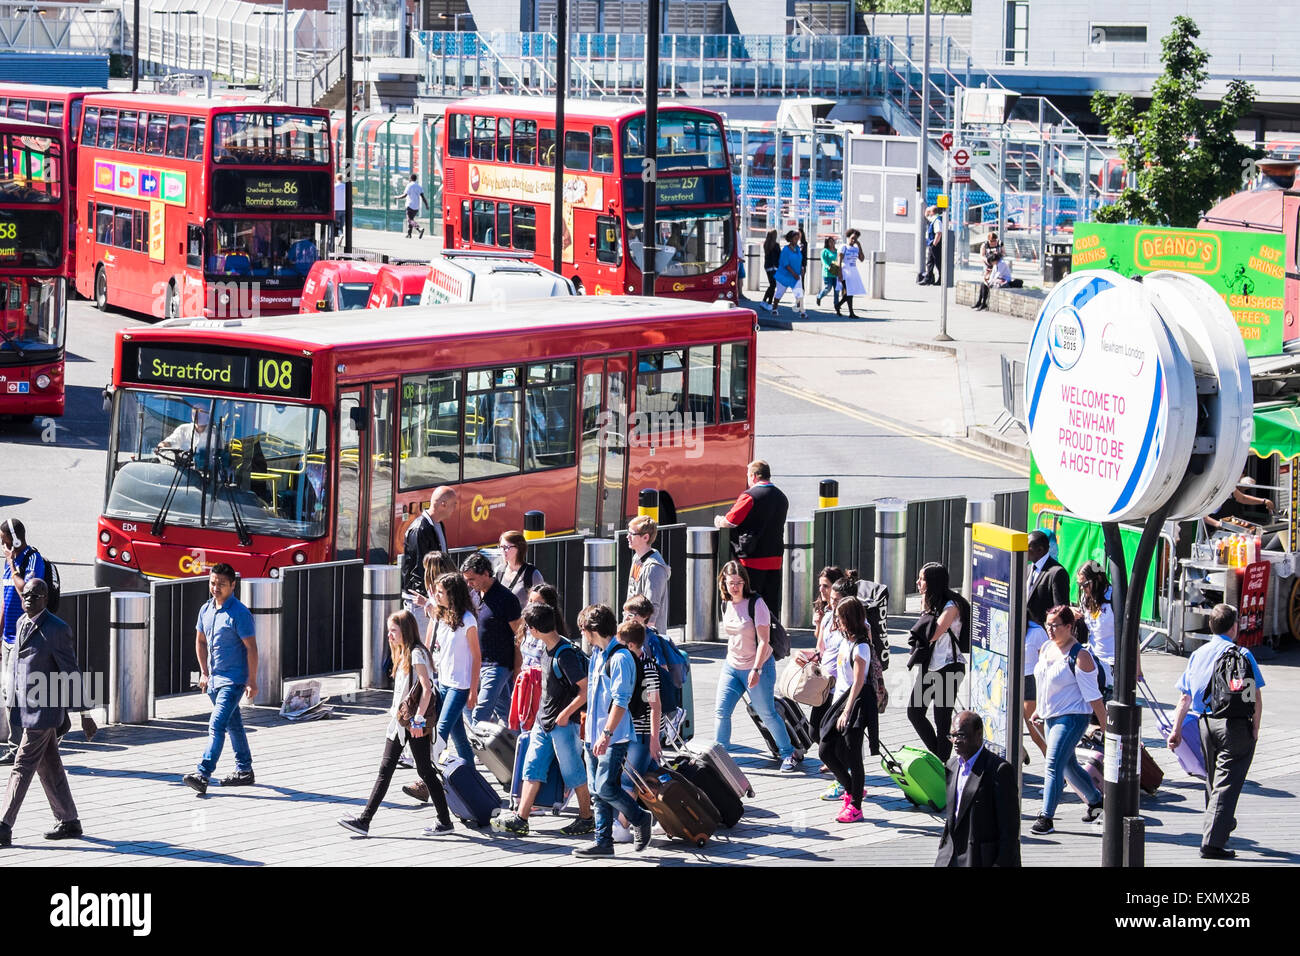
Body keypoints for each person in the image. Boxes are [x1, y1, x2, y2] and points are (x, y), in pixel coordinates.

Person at [338, 610, 454, 837]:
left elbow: (427, 688)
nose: (389, 635)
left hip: (412, 723)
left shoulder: (417, 653)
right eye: (389, 631)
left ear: (406, 631)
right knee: (390, 769)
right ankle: (365, 820)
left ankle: (444, 821)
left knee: (425, 771)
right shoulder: (405, 652)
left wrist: (419, 719)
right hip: (401, 723)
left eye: (393, 630)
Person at [0, 578, 96, 847]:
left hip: (45, 711)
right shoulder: (20, 623)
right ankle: (69, 821)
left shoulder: (56, 629)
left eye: (37, 595)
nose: (30, 599)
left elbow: (71, 671)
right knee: (50, 765)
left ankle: (4, 825)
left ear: (46, 598)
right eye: (27, 595)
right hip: (26, 708)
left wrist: (85, 714)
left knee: (22, 765)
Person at [1167, 604, 1265, 859]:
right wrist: (1255, 727)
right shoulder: (1242, 654)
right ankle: (1212, 841)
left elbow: (1184, 698)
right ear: (1234, 627)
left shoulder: (1198, 655)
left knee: (1213, 780)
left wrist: (1175, 730)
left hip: (1205, 723)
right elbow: (1255, 695)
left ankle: (1219, 824)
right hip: (1234, 725)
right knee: (1226, 784)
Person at [491, 602, 596, 837]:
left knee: (573, 772)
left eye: (528, 628)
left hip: (562, 724)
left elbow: (585, 689)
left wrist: (565, 714)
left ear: (534, 629)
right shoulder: (548, 648)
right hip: (544, 721)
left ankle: (587, 817)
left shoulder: (565, 654)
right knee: (532, 768)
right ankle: (521, 818)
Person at [573, 606, 652, 858]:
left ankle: (640, 818)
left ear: (593, 630)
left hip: (613, 736)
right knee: (597, 792)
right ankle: (603, 842)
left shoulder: (620, 658)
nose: (582, 635)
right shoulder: (597, 654)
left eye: (583, 630)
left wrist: (606, 734)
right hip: (592, 735)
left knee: (606, 788)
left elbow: (621, 701)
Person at [712, 561, 799, 773]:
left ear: (745, 582)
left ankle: (788, 753)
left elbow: (764, 642)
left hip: (758, 665)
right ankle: (720, 756)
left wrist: (757, 669)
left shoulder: (756, 603)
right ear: (723, 583)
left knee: (766, 712)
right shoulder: (726, 603)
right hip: (732, 665)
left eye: (738, 583)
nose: (734, 587)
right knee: (721, 711)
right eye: (730, 583)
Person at [1028, 605, 1107, 835]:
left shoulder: (1080, 656)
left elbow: (1094, 697)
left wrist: (1106, 726)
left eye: (1056, 625)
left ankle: (1046, 817)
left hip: (1073, 718)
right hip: (1051, 715)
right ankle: (1096, 802)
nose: (1050, 630)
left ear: (1070, 627)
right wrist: (1039, 710)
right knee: (1068, 766)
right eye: (1048, 624)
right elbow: (1043, 683)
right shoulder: (1045, 648)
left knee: (1053, 764)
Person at [183, 564, 258, 795]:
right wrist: (204, 673)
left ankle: (203, 773)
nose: (215, 588)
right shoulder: (205, 609)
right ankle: (244, 770)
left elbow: (252, 649)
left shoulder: (240, 613)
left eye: (221, 584)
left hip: (233, 681)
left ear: (233, 585)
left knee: (216, 725)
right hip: (214, 680)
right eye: (212, 583)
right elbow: (200, 642)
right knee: (233, 724)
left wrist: (252, 681)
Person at [934, 710, 1021, 867]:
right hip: (950, 858)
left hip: (981, 859)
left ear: (979, 734)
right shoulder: (951, 766)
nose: (955, 741)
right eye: (952, 735)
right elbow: (952, 818)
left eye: (961, 735)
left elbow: (1009, 830)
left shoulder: (999, 770)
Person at [819, 595, 878, 823]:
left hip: (856, 703)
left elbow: (859, 682)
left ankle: (855, 806)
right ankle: (852, 789)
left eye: (840, 618)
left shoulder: (861, 646)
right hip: (841, 701)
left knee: (854, 755)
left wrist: (846, 711)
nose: (836, 621)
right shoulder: (846, 638)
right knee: (826, 750)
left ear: (849, 619)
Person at [714, 459, 789, 620]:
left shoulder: (750, 496)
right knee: (770, 605)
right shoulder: (781, 497)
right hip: (775, 557)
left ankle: (753, 639)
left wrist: (719, 521)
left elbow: (730, 521)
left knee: (750, 604)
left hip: (752, 559)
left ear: (754, 476)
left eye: (748, 475)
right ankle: (772, 638)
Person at [907, 562, 965, 763]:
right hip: (931, 666)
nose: (918, 583)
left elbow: (931, 634)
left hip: (949, 666)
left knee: (942, 719)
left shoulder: (951, 606)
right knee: (914, 712)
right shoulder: (933, 603)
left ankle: (943, 762)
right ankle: (941, 757)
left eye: (922, 579)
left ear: (932, 582)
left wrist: (925, 609)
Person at [1, 517, 45, 764]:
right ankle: (15, 746)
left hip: (26, 636)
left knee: (26, 692)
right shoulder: (10, 564)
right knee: (9, 693)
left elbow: (25, 591)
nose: (2, 545)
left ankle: (32, 744)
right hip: (8, 639)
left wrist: (11, 563)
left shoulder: (31, 559)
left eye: (4, 540)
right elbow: (6, 601)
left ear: (15, 539)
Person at [461, 552, 523, 724]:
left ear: (486, 574)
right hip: (479, 663)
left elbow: (519, 635)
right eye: (466, 580)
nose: (469, 584)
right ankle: (516, 747)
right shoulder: (474, 595)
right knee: (505, 713)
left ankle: (477, 751)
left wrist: (518, 667)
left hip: (498, 665)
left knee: (479, 714)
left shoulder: (506, 598)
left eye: (471, 579)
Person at [798, 565, 845, 787]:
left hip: (841, 688)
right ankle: (836, 761)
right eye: (821, 587)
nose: (822, 592)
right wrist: (807, 657)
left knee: (830, 736)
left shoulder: (851, 620)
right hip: (824, 683)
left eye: (826, 587)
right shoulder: (826, 615)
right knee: (814, 729)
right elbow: (821, 647)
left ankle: (843, 776)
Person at [428, 571, 480, 764]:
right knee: (459, 738)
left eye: (441, 592)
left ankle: (426, 775)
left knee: (441, 730)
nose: (436, 595)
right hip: (443, 682)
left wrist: (473, 690)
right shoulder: (440, 617)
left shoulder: (468, 620)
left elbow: (476, 656)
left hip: (460, 685)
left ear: (453, 594)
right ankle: (472, 780)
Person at [1024, 530, 1067, 757]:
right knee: (1025, 711)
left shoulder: (1056, 572)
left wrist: (1055, 641)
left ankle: (1054, 759)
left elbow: (1061, 609)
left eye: (1029, 547)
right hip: (1025, 640)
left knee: (1032, 712)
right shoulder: (1029, 569)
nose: (1025, 551)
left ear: (1041, 549)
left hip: (1041, 642)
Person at [401, 486, 457, 636]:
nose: (455, 508)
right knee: (424, 646)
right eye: (454, 504)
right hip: (421, 601)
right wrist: (427, 600)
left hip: (434, 597)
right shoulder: (420, 529)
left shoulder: (437, 525)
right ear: (443, 505)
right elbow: (420, 569)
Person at [625, 515, 670, 631]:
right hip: (632, 627)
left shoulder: (654, 568)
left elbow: (652, 607)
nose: (627, 537)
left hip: (643, 634)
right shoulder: (637, 558)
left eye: (632, 534)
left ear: (645, 537)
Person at [1076, 560, 1117, 682]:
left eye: (1085, 585)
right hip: (1094, 658)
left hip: (1113, 661)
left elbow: (1132, 634)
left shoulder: (1113, 597)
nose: (1083, 589)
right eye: (1080, 585)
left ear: (1098, 579)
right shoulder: (1086, 598)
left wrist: (1136, 667)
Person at [1204, 476, 1275, 531]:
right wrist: (1217, 524)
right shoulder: (1206, 492)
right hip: (1212, 529)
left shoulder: (1227, 487)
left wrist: (1264, 501)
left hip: (1230, 524)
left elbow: (1242, 498)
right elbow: (1202, 516)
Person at [765, 230, 807, 318]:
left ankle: (802, 312)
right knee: (779, 293)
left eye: (797, 238)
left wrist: (802, 269)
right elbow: (785, 264)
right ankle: (774, 308)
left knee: (799, 293)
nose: (797, 239)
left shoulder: (798, 249)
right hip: (784, 276)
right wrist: (794, 274)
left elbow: (799, 260)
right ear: (791, 239)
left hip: (795, 276)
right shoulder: (785, 250)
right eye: (795, 238)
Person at [496, 530, 543, 607]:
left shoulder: (532, 574)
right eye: (501, 547)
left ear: (519, 548)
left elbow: (541, 604)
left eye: (507, 547)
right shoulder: (499, 571)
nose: (503, 551)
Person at [836, 229, 867, 318]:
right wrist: (840, 273)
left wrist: (859, 246)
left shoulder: (856, 248)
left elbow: (862, 259)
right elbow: (839, 261)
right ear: (848, 237)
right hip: (845, 270)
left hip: (853, 271)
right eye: (852, 238)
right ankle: (850, 312)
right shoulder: (843, 247)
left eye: (856, 239)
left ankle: (840, 306)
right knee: (849, 292)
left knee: (850, 292)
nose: (853, 240)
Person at [396, 172, 428, 239]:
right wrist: (426, 205)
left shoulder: (409, 185)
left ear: (410, 178)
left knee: (409, 220)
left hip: (410, 205)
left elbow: (404, 195)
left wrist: (397, 197)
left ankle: (419, 228)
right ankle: (409, 234)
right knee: (411, 219)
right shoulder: (419, 186)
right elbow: (423, 197)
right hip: (416, 207)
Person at [815, 236, 839, 308]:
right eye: (830, 242)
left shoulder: (836, 251)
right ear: (827, 243)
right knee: (828, 288)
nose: (832, 243)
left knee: (837, 289)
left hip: (835, 271)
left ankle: (836, 304)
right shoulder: (825, 251)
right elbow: (823, 261)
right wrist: (827, 266)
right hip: (827, 272)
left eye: (833, 241)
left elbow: (838, 260)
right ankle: (819, 296)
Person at [920, 206, 942, 285]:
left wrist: (934, 244)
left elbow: (938, 233)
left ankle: (941, 279)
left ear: (932, 212)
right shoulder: (934, 219)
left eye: (930, 212)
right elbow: (926, 216)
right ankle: (929, 278)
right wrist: (927, 210)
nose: (928, 213)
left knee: (938, 262)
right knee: (930, 262)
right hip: (932, 244)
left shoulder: (937, 220)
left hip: (935, 244)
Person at [761, 229, 780, 308]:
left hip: (767, 266)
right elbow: (780, 255)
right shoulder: (776, 245)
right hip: (774, 267)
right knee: (773, 285)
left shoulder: (766, 244)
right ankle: (768, 303)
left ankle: (765, 301)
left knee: (772, 285)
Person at [332, 173, 347, 253]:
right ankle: (341, 235)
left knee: (336, 224)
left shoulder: (334, 187)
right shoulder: (345, 187)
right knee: (341, 224)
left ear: (336, 178)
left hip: (336, 208)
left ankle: (339, 235)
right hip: (344, 208)